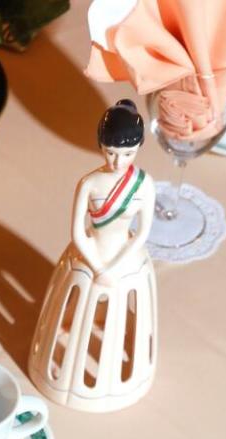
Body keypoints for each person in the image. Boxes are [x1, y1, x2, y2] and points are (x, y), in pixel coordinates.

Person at [29, 99, 158, 411]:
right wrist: (99, 267)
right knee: (81, 300)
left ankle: (123, 377)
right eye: (111, 152)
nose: (117, 161)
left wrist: (114, 267)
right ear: (101, 145)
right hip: (87, 256)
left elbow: (141, 232)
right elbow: (78, 231)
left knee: (116, 306)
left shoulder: (144, 185)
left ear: (139, 148)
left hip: (127, 259)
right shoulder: (89, 183)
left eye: (127, 153)